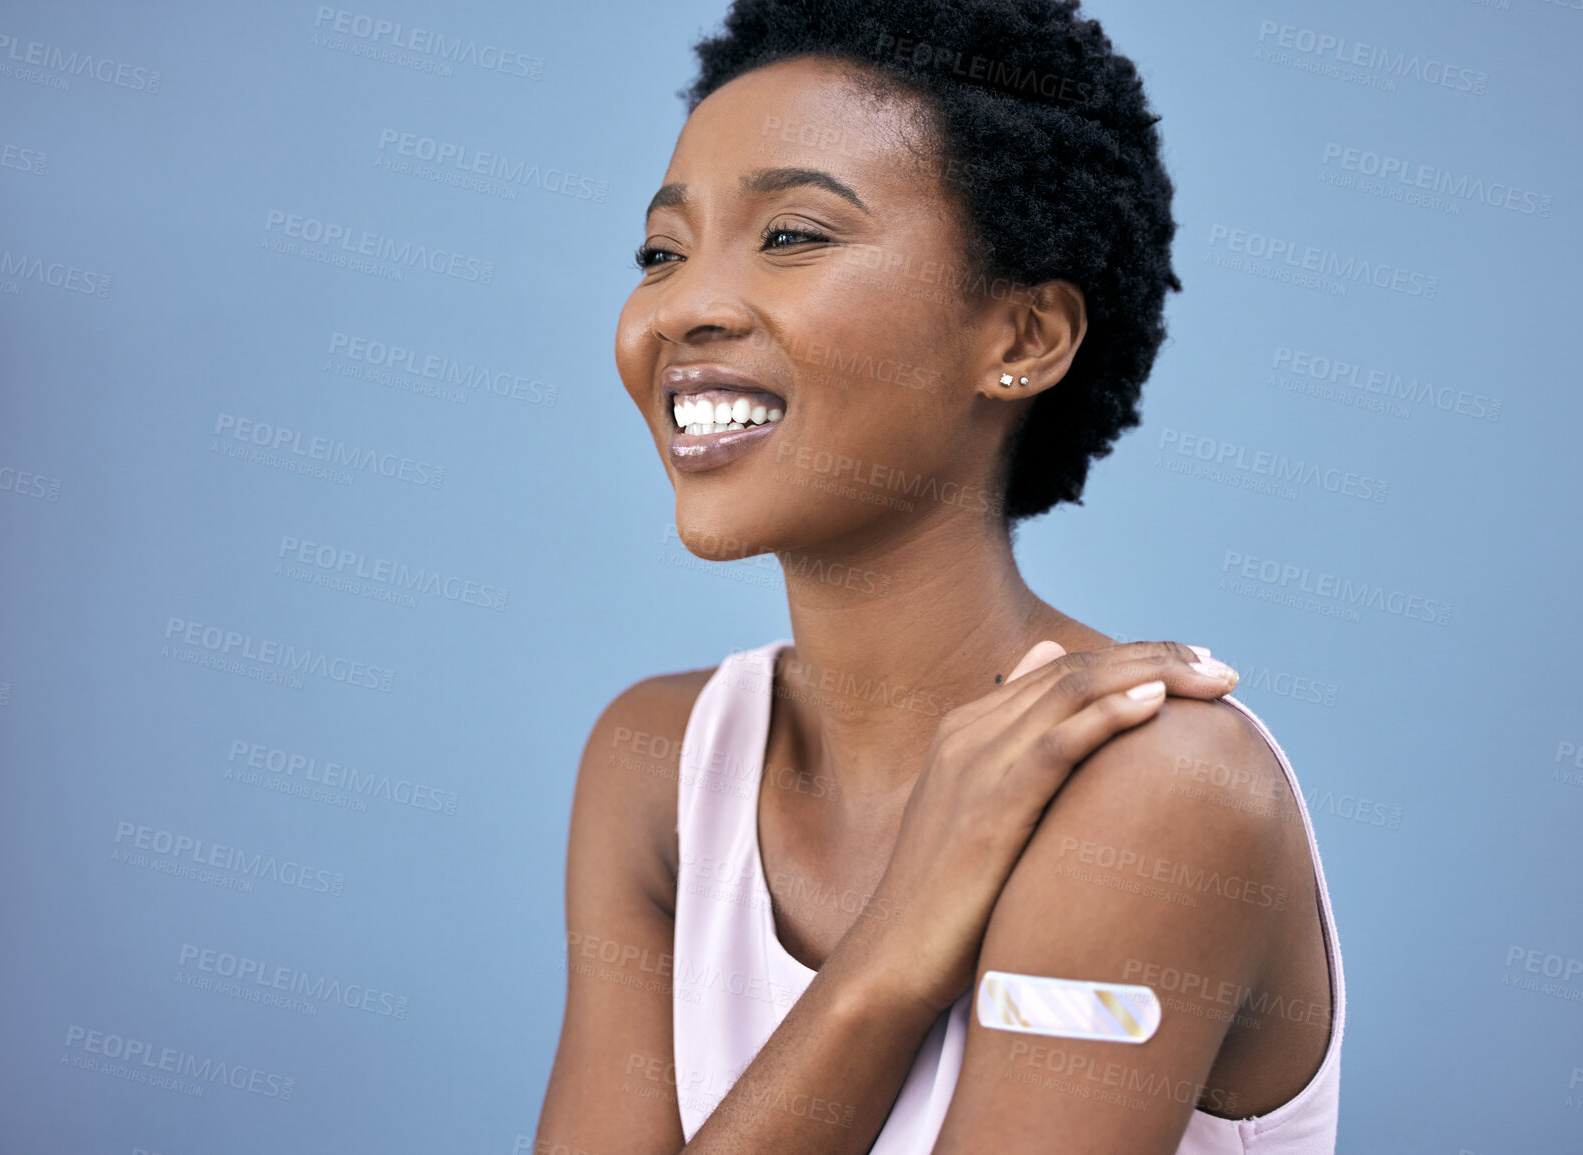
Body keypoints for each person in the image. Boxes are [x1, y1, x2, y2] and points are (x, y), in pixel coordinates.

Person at [536, 1, 1342, 1150]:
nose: (685, 308)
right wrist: (899, 945)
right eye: (662, 252)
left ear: (1021, 340)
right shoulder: (662, 763)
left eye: (794, 235)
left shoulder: (1152, 788)